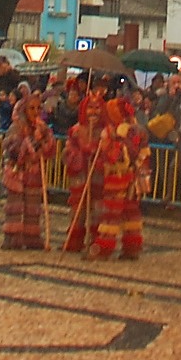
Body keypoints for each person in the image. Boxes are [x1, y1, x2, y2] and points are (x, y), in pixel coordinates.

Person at [88, 98, 150, 260]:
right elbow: (145, 155)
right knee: (131, 213)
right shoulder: (139, 130)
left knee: (111, 214)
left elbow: (114, 156)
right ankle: (132, 247)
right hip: (132, 178)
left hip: (117, 178)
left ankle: (104, 248)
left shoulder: (113, 131)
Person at [0, 90, 56, 250]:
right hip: (17, 172)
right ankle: (13, 237)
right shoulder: (16, 126)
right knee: (16, 206)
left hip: (34, 172)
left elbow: (49, 151)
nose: (36, 112)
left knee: (32, 205)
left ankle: (31, 236)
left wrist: (45, 140)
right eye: (32, 108)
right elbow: (12, 149)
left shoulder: (42, 127)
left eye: (39, 108)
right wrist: (31, 143)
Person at [61, 91, 107, 252]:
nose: (93, 112)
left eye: (97, 108)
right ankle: (74, 240)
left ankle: (95, 241)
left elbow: (111, 153)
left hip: (98, 177)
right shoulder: (75, 131)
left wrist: (98, 154)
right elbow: (66, 153)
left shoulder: (106, 132)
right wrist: (80, 154)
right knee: (77, 210)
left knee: (98, 210)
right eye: (90, 108)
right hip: (80, 176)